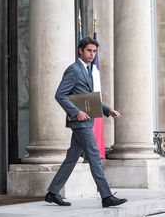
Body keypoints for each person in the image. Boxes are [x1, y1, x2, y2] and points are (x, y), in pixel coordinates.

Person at [45, 37, 127, 208]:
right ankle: (106, 196)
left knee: (71, 159)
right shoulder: (73, 70)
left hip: (86, 122)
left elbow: (86, 97)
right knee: (95, 157)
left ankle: (53, 192)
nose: (92, 54)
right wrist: (76, 112)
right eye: (89, 50)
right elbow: (60, 95)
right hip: (80, 123)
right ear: (80, 51)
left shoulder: (88, 70)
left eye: (94, 51)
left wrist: (107, 110)